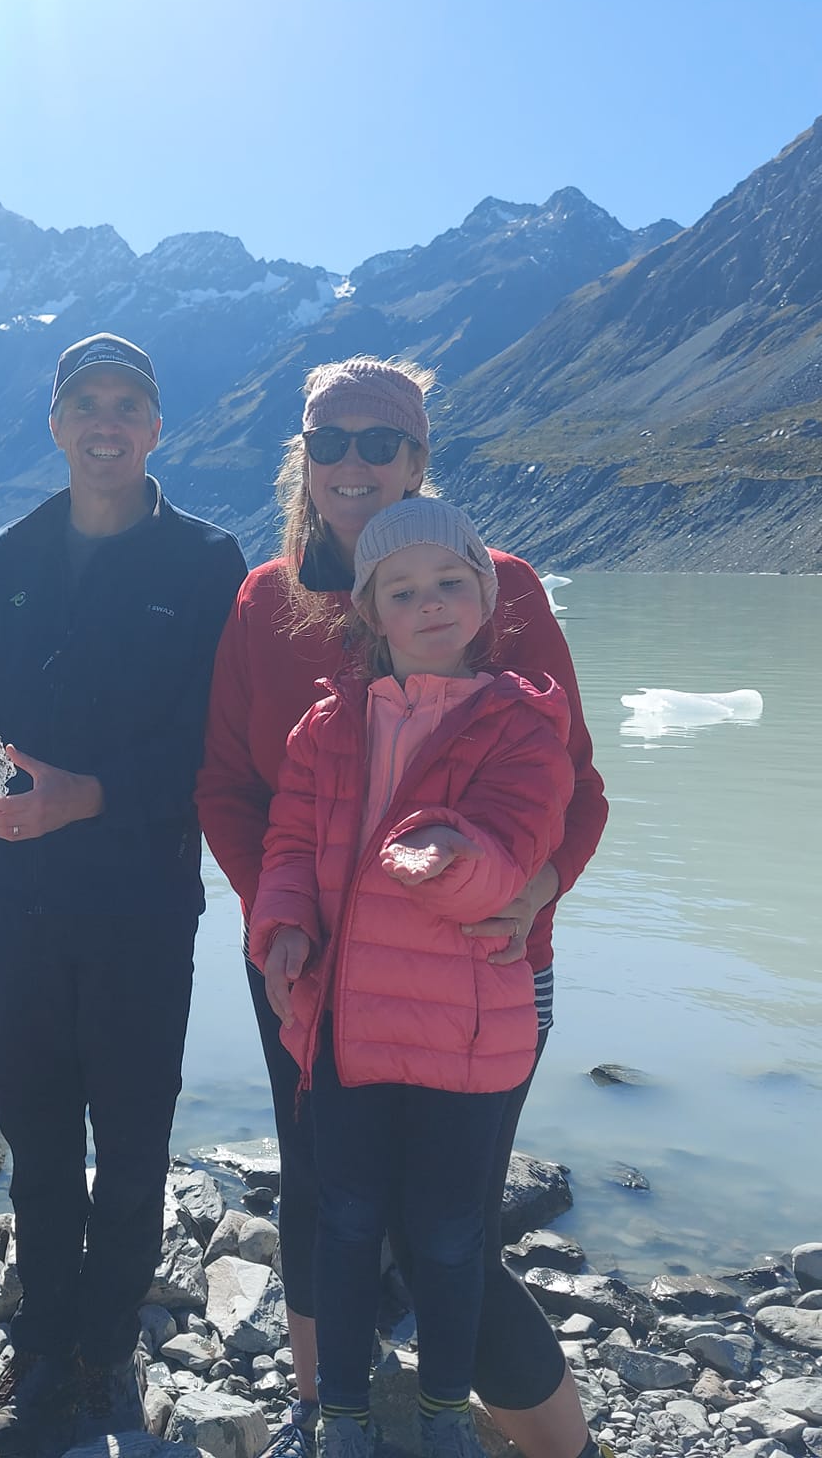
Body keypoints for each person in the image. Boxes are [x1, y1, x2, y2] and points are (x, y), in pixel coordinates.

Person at [196, 358, 607, 1458]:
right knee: (322, 1196)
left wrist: (535, 892)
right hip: (310, 971)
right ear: (303, 459)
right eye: (329, 441)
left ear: (418, 458)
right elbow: (230, 788)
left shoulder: (494, 585)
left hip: (480, 964)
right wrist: (277, 922)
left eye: (380, 442)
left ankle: (561, 1449)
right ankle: (323, 1413)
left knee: (446, 1227)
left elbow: (576, 784)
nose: (353, 463)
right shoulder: (263, 600)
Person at [0, 332, 248, 1456]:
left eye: (126, 405)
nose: (105, 424)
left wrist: (93, 794)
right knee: (37, 1129)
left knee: (134, 1129)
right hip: (18, 897)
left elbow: (221, 740)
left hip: (142, 901)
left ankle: (103, 1347)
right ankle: (42, 1336)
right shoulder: (8, 555)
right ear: (56, 425)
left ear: (155, 428)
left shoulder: (206, 562)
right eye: (86, 405)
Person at [251, 497, 574, 1458]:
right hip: (347, 1028)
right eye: (401, 590)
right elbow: (289, 842)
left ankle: (442, 1413)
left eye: (448, 583)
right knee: (347, 1220)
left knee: (448, 1234)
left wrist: (451, 862)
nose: (428, 603)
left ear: (485, 597)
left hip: (464, 1034)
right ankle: (344, 1412)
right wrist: (283, 927)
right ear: (369, 611)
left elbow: (518, 847)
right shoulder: (325, 726)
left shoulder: (523, 723)